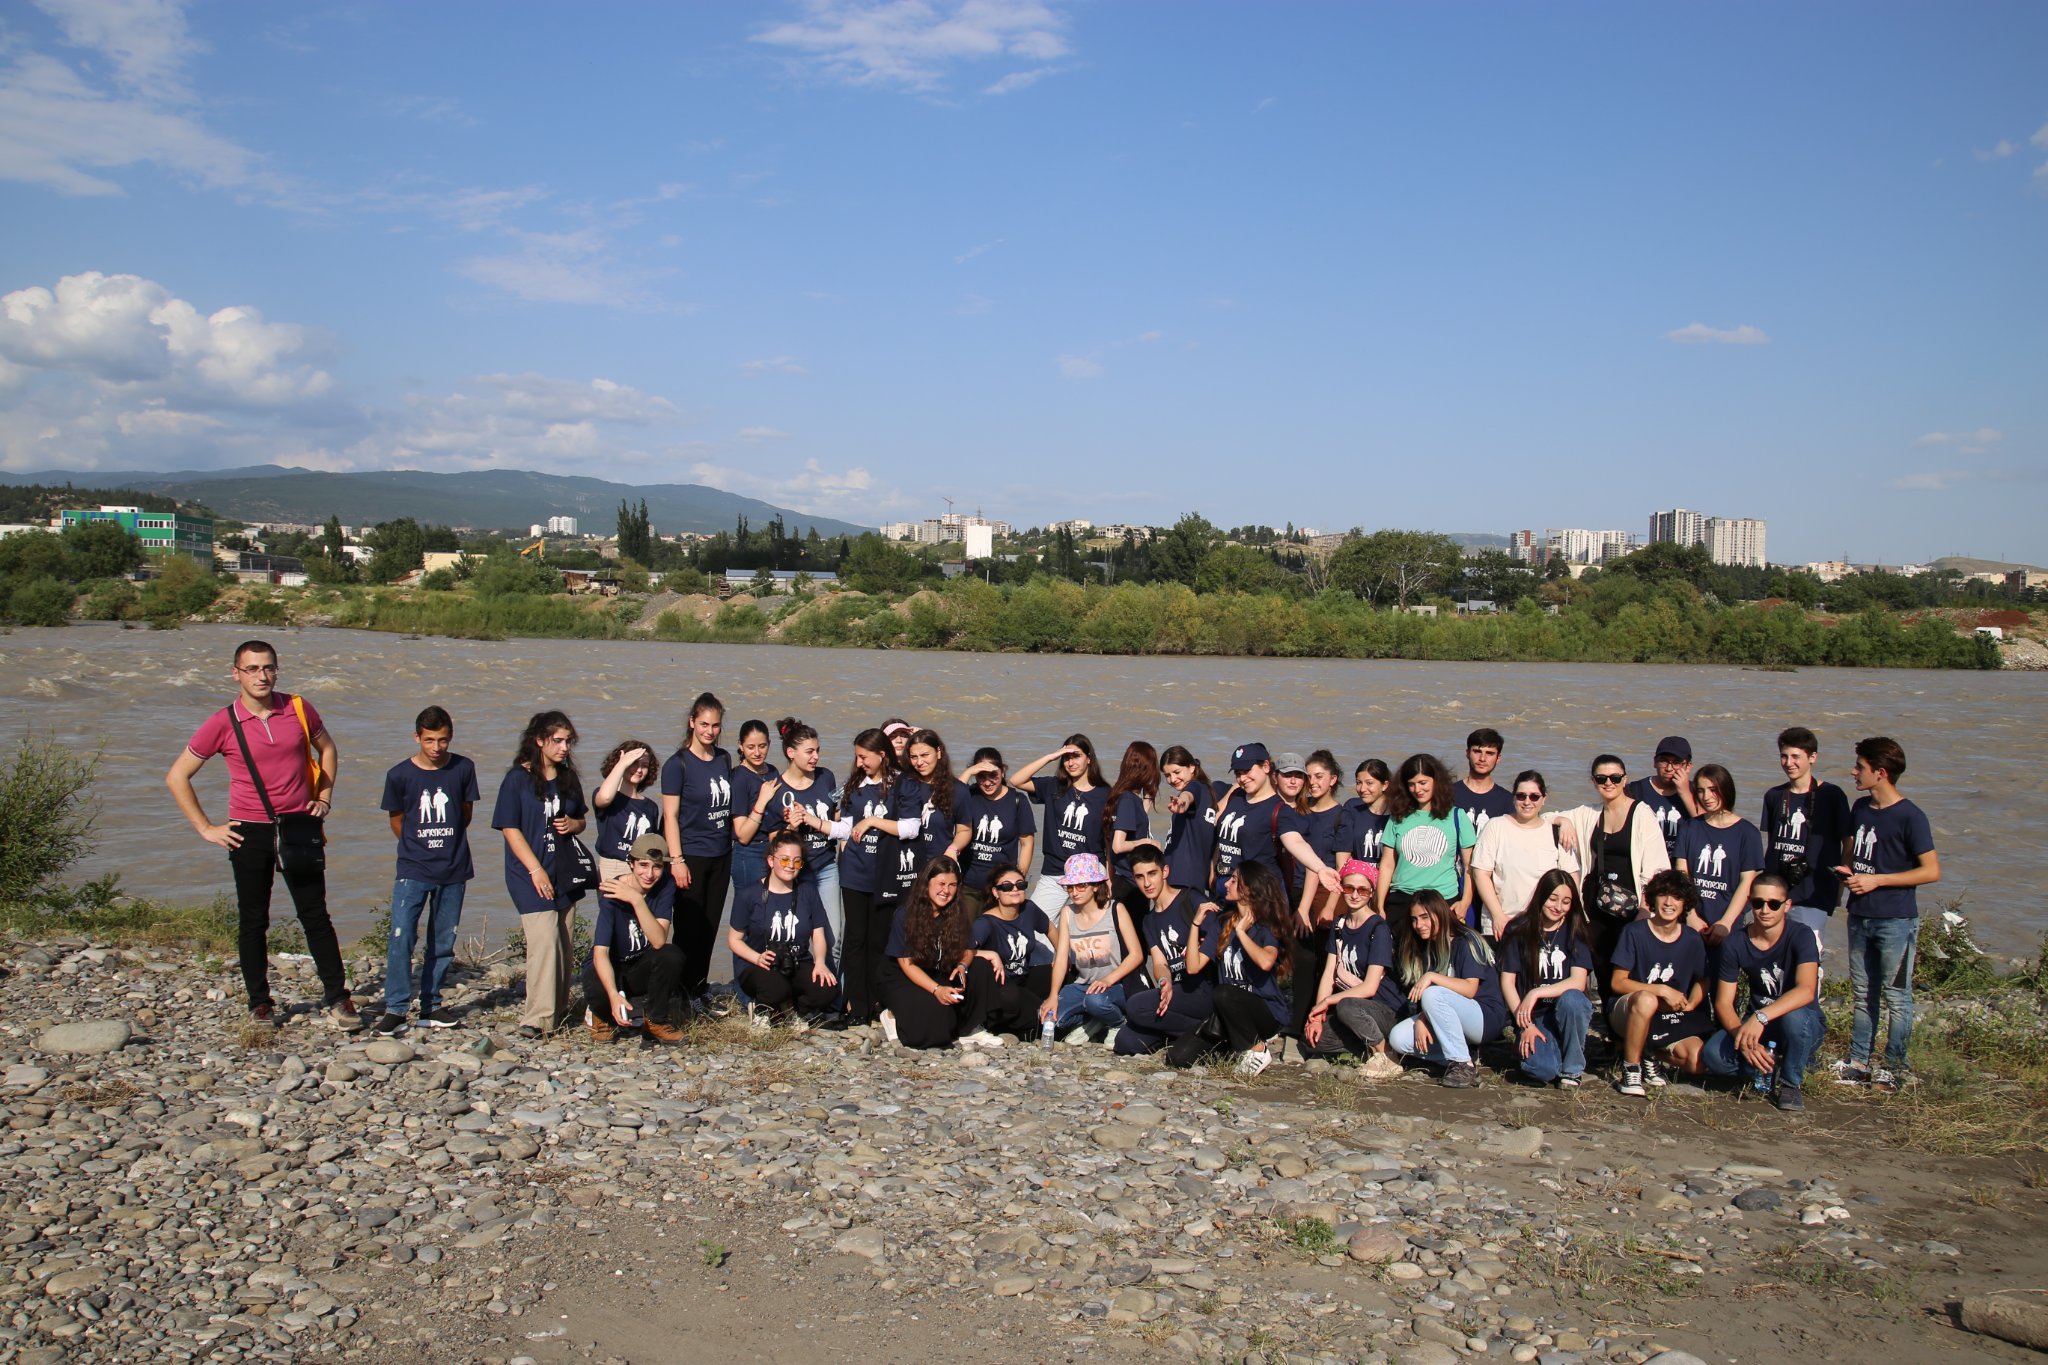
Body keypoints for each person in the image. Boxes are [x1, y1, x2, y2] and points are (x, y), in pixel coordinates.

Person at [167, 639, 359, 1030]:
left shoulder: (298, 709)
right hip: (248, 830)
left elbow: (328, 749)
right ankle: (260, 1003)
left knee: (315, 915)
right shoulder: (222, 723)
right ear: (235, 674)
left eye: (268, 667)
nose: (262, 676)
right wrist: (206, 828)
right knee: (254, 920)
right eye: (252, 669)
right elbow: (177, 776)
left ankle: (339, 999)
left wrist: (324, 796)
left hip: (298, 825)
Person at [1834, 736, 1941, 1090]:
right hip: (1860, 914)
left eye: (1860, 767)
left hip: (1895, 920)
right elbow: (1858, 857)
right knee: (1863, 994)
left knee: (1897, 997)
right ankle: (1859, 1062)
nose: (1854, 772)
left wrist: (1877, 880)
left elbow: (1931, 871)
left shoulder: (1911, 816)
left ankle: (1895, 1067)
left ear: (1880, 773)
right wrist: (1847, 874)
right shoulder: (1860, 808)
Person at [373, 705, 479, 1034]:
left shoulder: (463, 768)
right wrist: (417, 846)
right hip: (413, 868)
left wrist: (445, 844)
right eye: (429, 740)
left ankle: (431, 1005)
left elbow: (465, 813)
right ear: (417, 737)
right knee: (401, 935)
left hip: (454, 868)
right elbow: (397, 820)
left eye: (443, 740)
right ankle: (396, 1008)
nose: (436, 747)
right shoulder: (399, 775)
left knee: (443, 940)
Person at [492, 710, 589, 1038]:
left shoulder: (568, 778)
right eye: (557, 741)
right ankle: (536, 1019)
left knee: (564, 944)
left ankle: (558, 1012)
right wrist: (535, 870)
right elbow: (509, 828)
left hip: (564, 871)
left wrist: (573, 824)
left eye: (568, 741)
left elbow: (582, 820)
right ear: (539, 741)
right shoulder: (517, 779)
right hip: (529, 873)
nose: (564, 748)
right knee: (545, 941)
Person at [1701, 871, 1824, 1111]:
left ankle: (1790, 1083)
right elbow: (1723, 1003)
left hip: (1801, 1021)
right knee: (1713, 1055)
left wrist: (1761, 1017)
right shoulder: (1735, 942)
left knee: (1794, 1018)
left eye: (1774, 904)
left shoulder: (1801, 935)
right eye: (1758, 903)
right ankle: (1773, 1065)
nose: (1765, 910)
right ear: (1749, 902)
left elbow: (1806, 990)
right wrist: (1742, 1038)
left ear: (1787, 905)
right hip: (1758, 1026)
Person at [826, 728, 921, 1026]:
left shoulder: (903, 784)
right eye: (856, 757)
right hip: (854, 872)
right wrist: (815, 822)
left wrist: (872, 821)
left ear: (882, 755)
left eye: (864, 757)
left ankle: (878, 1003)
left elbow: (911, 828)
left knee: (879, 941)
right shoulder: (855, 784)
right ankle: (857, 1008)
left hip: (887, 874)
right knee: (855, 940)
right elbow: (846, 829)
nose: (859, 763)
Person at [1166, 861, 1295, 1078]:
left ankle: (1257, 1049)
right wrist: (1195, 925)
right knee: (1178, 1057)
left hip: (1264, 1012)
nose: (1226, 884)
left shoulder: (1266, 925)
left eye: (1234, 880)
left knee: (1224, 993)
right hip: (1228, 1014)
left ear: (1249, 889)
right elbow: (1193, 967)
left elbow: (1266, 962)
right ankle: (1236, 1049)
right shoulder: (1222, 923)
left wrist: (1242, 933)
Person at [1556, 754, 1671, 984]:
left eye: (1615, 778)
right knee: (1601, 966)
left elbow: (1657, 867)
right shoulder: (1589, 813)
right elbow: (1545, 816)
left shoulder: (1641, 814)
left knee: (1629, 971)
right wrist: (1563, 822)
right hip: (1597, 902)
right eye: (1601, 778)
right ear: (1594, 781)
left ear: (1624, 779)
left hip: (1632, 905)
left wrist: (1645, 909)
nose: (1608, 783)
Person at [1385, 888, 1508, 1089]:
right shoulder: (1429, 946)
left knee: (1432, 993)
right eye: (1414, 919)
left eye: (1425, 917)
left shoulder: (1466, 940)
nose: (1418, 925)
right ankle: (1466, 1054)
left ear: (1440, 913)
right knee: (1398, 1038)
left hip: (1484, 1016)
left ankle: (1463, 1065)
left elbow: (1469, 989)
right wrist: (1423, 1019)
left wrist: (1431, 976)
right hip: (1450, 1013)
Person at [1607, 870, 1715, 1096]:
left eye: (1676, 897)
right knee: (1647, 1000)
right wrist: (1661, 990)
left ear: (1685, 903)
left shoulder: (1692, 938)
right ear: (1653, 898)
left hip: (1669, 1017)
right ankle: (1631, 1069)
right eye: (1663, 895)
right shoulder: (1634, 932)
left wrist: (1691, 1004)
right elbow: (1617, 983)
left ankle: (1651, 1053)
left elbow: (1703, 980)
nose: (1668, 902)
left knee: (1697, 1061)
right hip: (1630, 1010)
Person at [660, 692, 734, 1007]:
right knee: (688, 928)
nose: (710, 731)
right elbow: (670, 817)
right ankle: (679, 993)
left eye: (715, 725)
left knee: (710, 926)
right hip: (690, 855)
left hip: (721, 854)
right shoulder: (677, 764)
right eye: (704, 724)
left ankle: (699, 990)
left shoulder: (724, 759)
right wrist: (676, 860)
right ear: (692, 722)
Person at [1302, 860, 1406, 1080]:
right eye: (1349, 888)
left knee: (1346, 1005)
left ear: (1371, 892)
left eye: (1363, 890)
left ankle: (1385, 1054)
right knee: (1314, 1039)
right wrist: (1317, 1017)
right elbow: (1329, 974)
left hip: (1383, 1008)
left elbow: (1370, 987)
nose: (1355, 895)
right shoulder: (1339, 924)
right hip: (1355, 1011)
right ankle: (1365, 1048)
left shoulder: (1378, 929)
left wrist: (1327, 1001)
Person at [1114, 846, 1220, 1056]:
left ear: (1165, 871)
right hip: (1176, 991)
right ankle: (1183, 1034)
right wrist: (1164, 982)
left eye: (1152, 874)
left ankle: (1210, 1031)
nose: (1147, 883)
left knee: (1135, 1006)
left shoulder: (1191, 899)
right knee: (1126, 1041)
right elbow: (1160, 963)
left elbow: (1220, 937)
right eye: (1140, 877)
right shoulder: (1149, 920)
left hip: (1202, 989)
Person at [582, 833, 686, 1045]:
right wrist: (613, 995)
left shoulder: (666, 884)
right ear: (631, 863)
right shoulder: (612, 891)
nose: (649, 874)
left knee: (671, 955)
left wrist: (636, 900)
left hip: (639, 964)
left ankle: (655, 1021)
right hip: (611, 965)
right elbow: (601, 952)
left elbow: (658, 941)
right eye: (643, 865)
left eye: (657, 867)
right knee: (596, 977)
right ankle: (601, 1016)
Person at [879, 857, 992, 1050]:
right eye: (941, 883)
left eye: (952, 885)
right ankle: (891, 1015)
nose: (946, 891)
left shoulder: (958, 912)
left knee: (981, 967)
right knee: (928, 1034)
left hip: (938, 970)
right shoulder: (905, 913)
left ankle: (969, 1028)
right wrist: (937, 989)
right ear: (927, 883)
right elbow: (906, 963)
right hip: (903, 976)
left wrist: (962, 966)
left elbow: (968, 949)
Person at [1209, 742, 1340, 907]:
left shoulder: (1279, 809)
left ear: (1266, 766)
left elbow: (1295, 842)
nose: (1242, 778)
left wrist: (1320, 868)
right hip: (1225, 885)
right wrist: (1212, 870)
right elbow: (1219, 832)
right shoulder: (1236, 795)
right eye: (1238, 773)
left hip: (1257, 891)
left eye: (1247, 771)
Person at [727, 831, 839, 1023]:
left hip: (796, 961)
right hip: (759, 965)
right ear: (771, 860)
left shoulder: (807, 891)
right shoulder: (749, 894)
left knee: (827, 989)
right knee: (776, 988)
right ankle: (761, 1008)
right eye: (785, 860)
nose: (791, 866)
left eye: (797, 861)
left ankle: (791, 1009)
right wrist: (757, 957)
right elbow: (733, 940)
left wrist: (820, 963)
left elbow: (818, 934)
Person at [1760, 726, 1853, 956]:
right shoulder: (1774, 795)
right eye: (1784, 756)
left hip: (1814, 892)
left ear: (1812, 757)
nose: (1788, 763)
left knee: (1808, 957)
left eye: (1795, 756)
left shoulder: (1832, 795)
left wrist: (1839, 889)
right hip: (1776, 893)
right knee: (1774, 957)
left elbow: (1848, 843)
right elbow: (1772, 844)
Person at [759, 717, 842, 970]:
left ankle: (832, 990)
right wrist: (791, 828)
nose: (816, 757)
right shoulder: (777, 790)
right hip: (795, 872)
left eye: (817, 750)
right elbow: (773, 842)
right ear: (791, 753)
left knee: (834, 938)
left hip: (827, 867)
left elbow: (835, 818)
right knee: (798, 937)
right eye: (809, 752)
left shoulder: (826, 777)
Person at [1499, 870, 1595, 1088]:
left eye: (1566, 902)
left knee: (1573, 999)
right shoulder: (1518, 928)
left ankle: (1572, 1069)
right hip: (1534, 1016)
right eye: (1553, 899)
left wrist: (1536, 992)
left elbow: (1578, 982)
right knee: (1542, 1070)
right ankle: (1548, 1052)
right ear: (1541, 896)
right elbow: (1507, 982)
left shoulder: (1576, 929)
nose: (1558, 907)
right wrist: (1525, 1025)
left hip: (1565, 1010)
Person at [1038, 854, 1145, 1044]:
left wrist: (1107, 980)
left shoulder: (1115, 909)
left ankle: (1118, 1023)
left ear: (1095, 885)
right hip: (1083, 986)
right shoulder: (1067, 913)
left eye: (1081, 886)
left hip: (1116, 985)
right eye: (1070, 887)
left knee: (1096, 1001)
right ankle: (1095, 1021)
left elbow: (1136, 955)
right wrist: (1053, 995)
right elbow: (1061, 958)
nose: (1074, 892)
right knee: (1050, 1017)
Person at [1286, 750, 1349, 1042]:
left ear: (1333, 779)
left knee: (1325, 959)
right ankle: (1298, 1021)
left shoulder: (1341, 815)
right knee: (1301, 959)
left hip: (1327, 892)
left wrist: (1330, 905)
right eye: (1308, 776)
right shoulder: (1299, 811)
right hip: (1297, 888)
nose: (1312, 782)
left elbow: (1342, 865)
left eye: (1319, 776)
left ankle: (1321, 1019)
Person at [1471, 770, 1576, 939]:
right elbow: (1481, 874)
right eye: (1521, 796)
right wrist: (1498, 916)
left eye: (1534, 797)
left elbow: (1571, 880)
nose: (1527, 802)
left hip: (1544, 926)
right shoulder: (1495, 826)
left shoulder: (1557, 833)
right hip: (1500, 924)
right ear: (1513, 798)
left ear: (1544, 799)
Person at [1376, 753, 1477, 929]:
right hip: (1401, 901)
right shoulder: (1398, 817)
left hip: (1442, 900)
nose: (1417, 789)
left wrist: (1465, 902)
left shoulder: (1457, 816)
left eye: (1423, 783)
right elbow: (1387, 865)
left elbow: (1470, 866)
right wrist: (1379, 904)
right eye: (1411, 784)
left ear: (1436, 781)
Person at [1012, 736, 1109, 915]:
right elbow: (1017, 780)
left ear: (1089, 758)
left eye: (1076, 756)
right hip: (1054, 871)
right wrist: (1051, 757)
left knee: (1088, 925)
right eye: (1066, 758)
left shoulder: (1106, 794)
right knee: (1034, 922)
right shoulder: (1054, 786)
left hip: (1089, 876)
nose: (1071, 763)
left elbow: (1109, 843)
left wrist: (1109, 880)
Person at [1674, 763, 1764, 949]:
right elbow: (1682, 874)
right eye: (1700, 790)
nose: (1706, 797)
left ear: (1726, 789)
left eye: (1713, 789)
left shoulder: (1748, 833)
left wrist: (1726, 922)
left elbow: (1747, 882)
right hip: (1690, 921)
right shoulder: (1689, 827)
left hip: (1729, 925)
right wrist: (1690, 915)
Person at [966, 860, 1055, 1043]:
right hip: (999, 987)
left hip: (1023, 977)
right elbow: (960, 952)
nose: (1015, 889)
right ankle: (996, 1025)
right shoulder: (985, 922)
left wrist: (1063, 956)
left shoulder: (1028, 909)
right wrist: (989, 954)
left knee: (1063, 973)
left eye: (1020, 885)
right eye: (1007, 886)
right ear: (995, 892)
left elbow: (1051, 929)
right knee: (1030, 1009)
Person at [949, 747, 1035, 915]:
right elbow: (952, 797)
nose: (987, 782)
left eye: (993, 775)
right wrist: (969, 772)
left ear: (1002, 772)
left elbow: (1026, 843)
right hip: (968, 885)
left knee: (997, 930)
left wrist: (1018, 878)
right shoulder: (968, 795)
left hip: (1002, 887)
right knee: (965, 929)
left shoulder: (1017, 801)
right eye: (981, 776)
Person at [1102, 740, 1162, 916]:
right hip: (1130, 883)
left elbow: (1128, 827)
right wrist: (1147, 842)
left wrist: (1147, 801)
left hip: (1122, 879)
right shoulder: (1128, 800)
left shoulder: (1119, 796)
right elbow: (1118, 846)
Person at [593, 738, 658, 883]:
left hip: (642, 868)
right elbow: (604, 798)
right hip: (613, 866)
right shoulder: (606, 795)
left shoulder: (651, 806)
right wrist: (622, 764)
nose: (639, 770)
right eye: (634, 763)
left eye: (644, 765)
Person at [1158, 745, 1221, 896]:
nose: (1172, 779)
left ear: (1191, 767)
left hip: (1182, 878)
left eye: (1177, 772)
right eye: (1167, 775)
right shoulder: (1207, 791)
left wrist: (1182, 801)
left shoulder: (1195, 786)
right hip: (1190, 877)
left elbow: (1188, 795)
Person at [1626, 736, 1697, 860]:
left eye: (1676, 763)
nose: (1669, 768)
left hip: (1682, 865)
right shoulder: (1635, 790)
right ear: (1655, 762)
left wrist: (1685, 793)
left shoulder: (1698, 791)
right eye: (1663, 761)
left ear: (1688, 766)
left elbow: (1707, 829)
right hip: (1647, 862)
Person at [1453, 728, 1515, 839]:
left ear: (1498, 758)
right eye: (1477, 751)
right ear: (1467, 753)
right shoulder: (1448, 793)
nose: (1482, 758)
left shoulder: (1508, 801)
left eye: (1489, 753)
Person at [1336, 758, 1393, 866]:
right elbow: (1343, 851)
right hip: (1358, 874)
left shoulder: (1397, 812)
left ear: (1385, 785)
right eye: (1359, 783)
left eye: (1369, 783)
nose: (1362, 789)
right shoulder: (1352, 807)